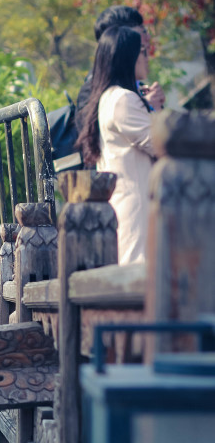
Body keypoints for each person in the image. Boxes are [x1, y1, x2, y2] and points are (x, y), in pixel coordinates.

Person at [76, 25, 155, 264]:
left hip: (123, 204)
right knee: (141, 279)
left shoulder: (108, 97)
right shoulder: (124, 100)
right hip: (137, 206)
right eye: (142, 51)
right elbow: (161, 144)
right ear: (128, 58)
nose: (146, 57)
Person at [76, 5, 165, 120]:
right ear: (119, 39)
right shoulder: (91, 91)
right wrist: (145, 105)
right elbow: (90, 131)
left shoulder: (140, 87)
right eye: (142, 31)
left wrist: (157, 108)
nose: (148, 37)